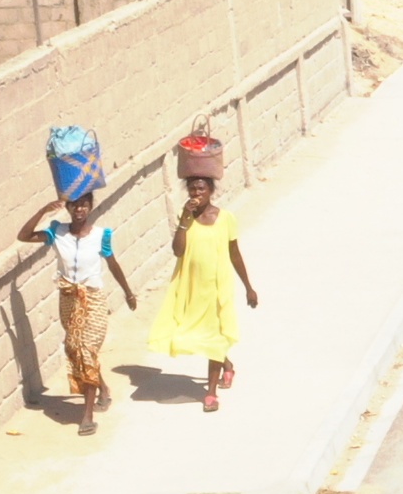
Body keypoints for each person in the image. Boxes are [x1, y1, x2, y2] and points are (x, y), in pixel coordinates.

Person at [150, 136, 260, 411]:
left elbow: (235, 254)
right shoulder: (186, 218)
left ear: (211, 190)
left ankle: (210, 393)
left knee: (214, 335)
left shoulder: (226, 219)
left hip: (218, 288)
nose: (196, 194)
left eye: (201, 188)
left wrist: (248, 286)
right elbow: (177, 251)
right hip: (192, 287)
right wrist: (184, 222)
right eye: (192, 189)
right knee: (192, 334)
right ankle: (227, 364)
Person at [18, 187, 138, 435]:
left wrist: (128, 292)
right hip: (69, 300)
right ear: (69, 208)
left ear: (90, 206)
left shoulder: (101, 235)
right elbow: (24, 236)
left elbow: (112, 264)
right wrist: (43, 210)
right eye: (75, 205)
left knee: (86, 350)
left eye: (84, 204)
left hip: (93, 299)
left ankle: (87, 415)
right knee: (77, 350)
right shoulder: (57, 232)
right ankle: (102, 388)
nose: (80, 209)